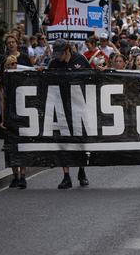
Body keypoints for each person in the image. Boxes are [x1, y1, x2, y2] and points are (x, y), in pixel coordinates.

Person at [47, 39, 91, 189]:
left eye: (60, 54)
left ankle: (82, 170)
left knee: (80, 142)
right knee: (63, 142)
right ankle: (66, 176)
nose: (58, 57)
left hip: (79, 107)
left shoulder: (80, 59)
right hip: (60, 108)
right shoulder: (54, 64)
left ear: (67, 50)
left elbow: (91, 77)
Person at [0, 55, 28, 189]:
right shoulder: (2, 80)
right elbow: (2, 100)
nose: (14, 66)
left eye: (15, 63)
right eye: (11, 64)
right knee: (10, 147)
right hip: (9, 114)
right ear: (6, 66)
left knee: (22, 146)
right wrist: (3, 120)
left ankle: (23, 176)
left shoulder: (22, 77)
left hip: (21, 114)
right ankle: (15, 175)